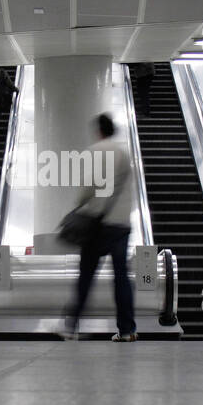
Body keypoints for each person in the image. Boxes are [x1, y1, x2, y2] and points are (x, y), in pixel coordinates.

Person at [63, 113, 137, 341]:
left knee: (86, 275)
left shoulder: (95, 151)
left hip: (97, 223)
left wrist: (79, 205)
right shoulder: (124, 153)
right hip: (121, 225)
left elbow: (88, 186)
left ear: (99, 131)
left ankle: (70, 327)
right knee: (121, 277)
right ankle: (127, 330)